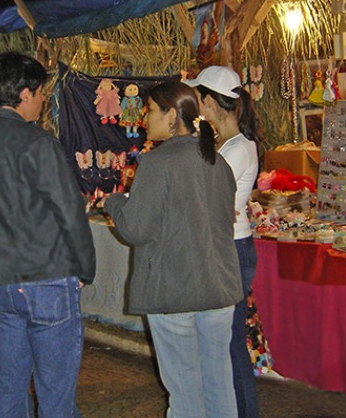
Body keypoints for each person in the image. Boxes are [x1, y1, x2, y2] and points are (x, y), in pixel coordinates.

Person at [0, 53, 96, 418]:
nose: (43, 101)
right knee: (55, 393)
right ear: (25, 94)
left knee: (9, 386)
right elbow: (69, 213)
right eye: (41, 93)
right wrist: (85, 270)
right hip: (49, 279)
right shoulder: (39, 144)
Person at [104, 81, 242, 418]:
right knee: (219, 386)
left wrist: (115, 203)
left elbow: (136, 229)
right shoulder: (217, 162)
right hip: (218, 289)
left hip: (174, 291)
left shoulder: (157, 163)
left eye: (150, 111)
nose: (144, 119)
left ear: (171, 116)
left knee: (184, 394)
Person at [186, 65, 261, 418]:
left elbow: (206, 192)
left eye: (198, 97)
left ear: (210, 102)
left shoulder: (240, 148)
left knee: (230, 346)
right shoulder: (224, 143)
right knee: (220, 345)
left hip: (231, 248)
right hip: (222, 245)